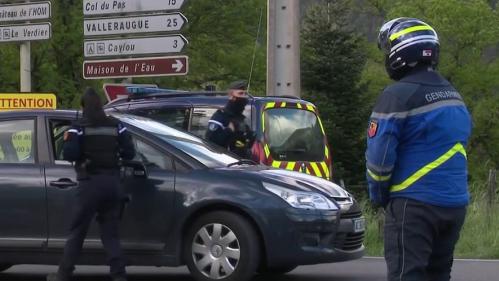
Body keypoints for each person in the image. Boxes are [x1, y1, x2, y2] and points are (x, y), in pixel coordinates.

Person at [366, 18, 472, 281]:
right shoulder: (453, 94)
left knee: (406, 275)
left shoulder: (398, 95)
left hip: (414, 206)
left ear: (399, 52)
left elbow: (380, 159)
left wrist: (378, 196)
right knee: (438, 275)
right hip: (454, 205)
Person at [47, 88, 135, 281]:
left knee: (78, 231)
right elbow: (130, 153)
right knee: (110, 233)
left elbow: (69, 154)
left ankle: (63, 273)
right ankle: (119, 275)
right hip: (112, 183)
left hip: (89, 184)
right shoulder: (116, 126)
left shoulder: (78, 127)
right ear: (101, 106)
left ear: (83, 106)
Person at [205, 80, 256, 159]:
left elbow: (245, 143)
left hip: (243, 163)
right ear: (231, 96)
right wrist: (228, 130)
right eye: (240, 93)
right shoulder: (221, 116)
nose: (243, 96)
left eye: (245, 94)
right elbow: (211, 143)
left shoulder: (240, 119)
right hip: (225, 163)